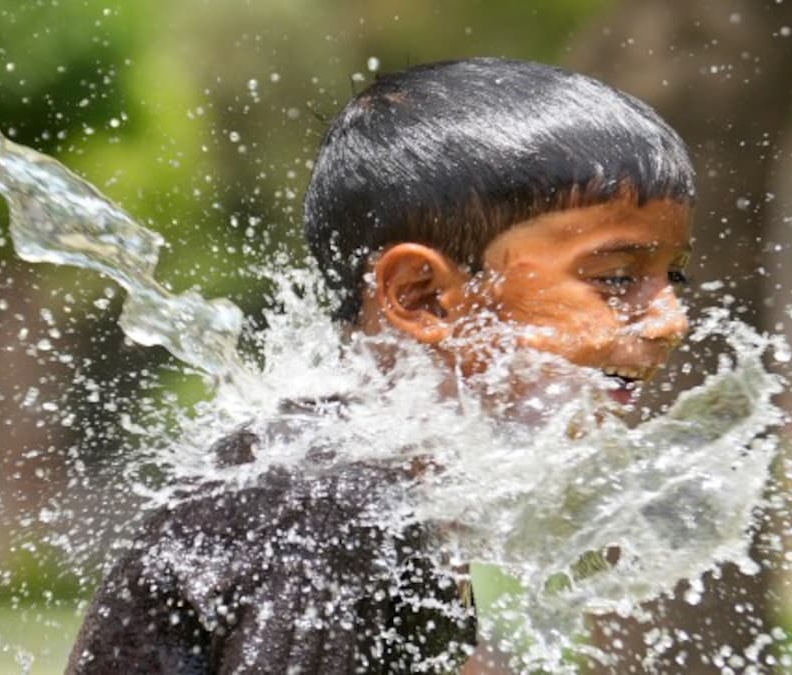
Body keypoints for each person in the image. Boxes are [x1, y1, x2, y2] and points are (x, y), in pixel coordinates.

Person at [66, 57, 695, 674]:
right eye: (615, 278)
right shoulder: (328, 500)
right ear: (422, 296)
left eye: (674, 276)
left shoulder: (393, 478)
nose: (672, 320)